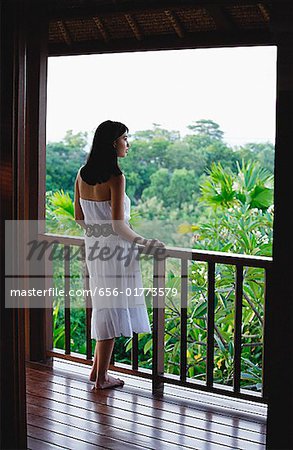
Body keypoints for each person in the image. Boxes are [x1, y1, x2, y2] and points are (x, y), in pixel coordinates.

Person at [74, 120, 165, 390]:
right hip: (116, 252)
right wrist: (144, 241)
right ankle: (102, 379)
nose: (128, 144)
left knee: (104, 305)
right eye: (125, 138)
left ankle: (95, 371)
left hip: (95, 248)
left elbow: (80, 218)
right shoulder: (116, 177)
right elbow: (118, 225)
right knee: (111, 309)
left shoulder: (82, 173)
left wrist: (97, 235)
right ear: (114, 143)